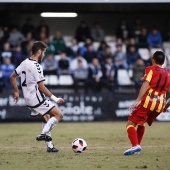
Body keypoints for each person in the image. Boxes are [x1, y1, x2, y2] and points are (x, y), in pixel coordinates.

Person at [10, 41, 65, 153]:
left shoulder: (24, 62)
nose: (43, 55)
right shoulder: (37, 66)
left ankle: (50, 147)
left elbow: (12, 77)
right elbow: (41, 87)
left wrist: (16, 91)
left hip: (28, 100)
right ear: (39, 51)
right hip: (36, 99)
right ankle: (43, 134)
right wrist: (56, 99)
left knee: (46, 119)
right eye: (43, 52)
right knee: (59, 115)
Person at [123, 51, 170, 155]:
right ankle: (136, 149)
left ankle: (135, 145)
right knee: (141, 122)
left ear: (153, 59)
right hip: (160, 105)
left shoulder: (150, 69)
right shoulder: (168, 74)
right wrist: (165, 107)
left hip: (149, 102)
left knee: (130, 124)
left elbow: (145, 84)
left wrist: (137, 100)